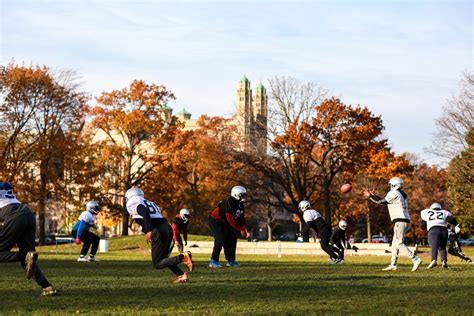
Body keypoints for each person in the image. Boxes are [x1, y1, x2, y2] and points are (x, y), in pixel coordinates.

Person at [125, 187, 194, 283]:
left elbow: (144, 211)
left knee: (157, 263)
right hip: (166, 227)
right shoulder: (148, 201)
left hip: (158, 230)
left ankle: (183, 257)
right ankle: (181, 275)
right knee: (165, 258)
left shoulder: (132, 201)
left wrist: (149, 230)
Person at [0, 181, 56, 296]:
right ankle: (47, 287)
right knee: (30, 258)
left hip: (13, 216)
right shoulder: (12, 198)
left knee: (25, 256)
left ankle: (24, 256)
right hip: (28, 214)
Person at [364, 177, 422, 272]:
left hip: (400, 220)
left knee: (399, 243)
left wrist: (370, 197)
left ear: (395, 185)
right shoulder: (400, 194)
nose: (389, 186)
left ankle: (415, 259)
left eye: (390, 184)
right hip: (402, 220)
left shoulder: (394, 193)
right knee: (395, 244)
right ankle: (393, 264)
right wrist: (374, 196)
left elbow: (381, 202)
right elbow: (385, 201)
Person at [208, 186, 250, 268]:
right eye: (243, 195)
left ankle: (231, 261)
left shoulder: (240, 204)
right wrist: (240, 229)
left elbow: (241, 219)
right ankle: (213, 261)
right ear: (236, 194)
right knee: (220, 238)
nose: (244, 197)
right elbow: (230, 218)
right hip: (216, 220)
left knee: (232, 239)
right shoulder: (228, 201)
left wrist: (244, 229)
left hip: (225, 222)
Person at [420, 202, 460, 269]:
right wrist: (456, 225)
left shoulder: (426, 212)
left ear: (431, 208)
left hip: (433, 230)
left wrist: (428, 224)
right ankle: (444, 261)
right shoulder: (444, 212)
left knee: (434, 246)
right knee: (442, 247)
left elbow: (423, 226)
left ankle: (433, 260)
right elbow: (451, 219)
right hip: (444, 230)